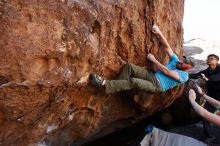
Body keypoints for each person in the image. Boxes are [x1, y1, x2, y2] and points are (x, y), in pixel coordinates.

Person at [91, 24, 193, 94]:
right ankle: (117, 86)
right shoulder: (176, 61)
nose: (182, 61)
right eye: (183, 59)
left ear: (188, 68)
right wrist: (159, 32)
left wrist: (153, 60)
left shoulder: (184, 76)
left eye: (185, 63)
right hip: (152, 76)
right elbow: (167, 46)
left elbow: (166, 72)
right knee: (130, 67)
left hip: (157, 86)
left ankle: (104, 83)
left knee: (134, 81)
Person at [189, 54, 220, 140]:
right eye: (208, 59)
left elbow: (216, 78)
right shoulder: (208, 70)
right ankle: (209, 136)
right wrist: (184, 75)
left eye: (212, 59)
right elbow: (197, 74)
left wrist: (207, 79)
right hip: (211, 97)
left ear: (217, 61)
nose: (209, 60)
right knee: (205, 116)